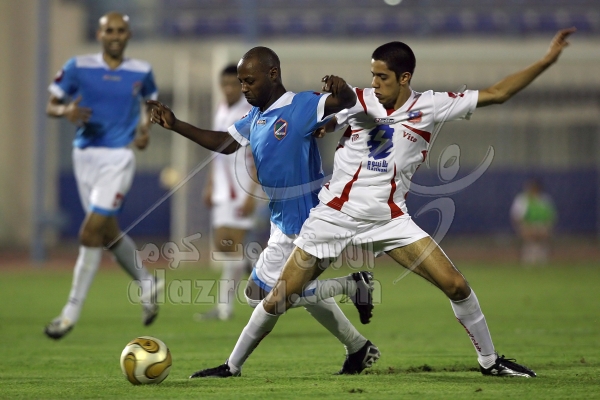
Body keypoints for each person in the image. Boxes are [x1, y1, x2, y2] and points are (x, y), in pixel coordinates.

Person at [191, 27, 576, 378]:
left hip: (390, 219)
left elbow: (498, 93)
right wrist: (330, 118)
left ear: (404, 78)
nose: (374, 83)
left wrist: (546, 60)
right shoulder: (358, 100)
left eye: (382, 77)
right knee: (277, 297)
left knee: (456, 285)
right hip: (334, 216)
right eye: (372, 75)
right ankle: (231, 366)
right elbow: (324, 115)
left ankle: (490, 362)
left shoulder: (432, 106)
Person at [148, 46, 380, 376]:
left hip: (310, 224)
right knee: (260, 293)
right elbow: (226, 143)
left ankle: (232, 367)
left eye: (249, 81)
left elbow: (343, 103)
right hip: (282, 224)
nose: (244, 88)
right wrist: (176, 125)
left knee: (274, 296)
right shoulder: (256, 116)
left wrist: (340, 90)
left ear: (272, 74)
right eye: (241, 81)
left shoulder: (300, 105)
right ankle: (357, 339)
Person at [44, 12, 163, 339]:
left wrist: (144, 131)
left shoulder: (141, 71)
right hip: (84, 156)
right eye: (109, 30)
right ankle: (148, 283)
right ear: (99, 35)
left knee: (90, 232)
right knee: (108, 234)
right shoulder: (77, 66)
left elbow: (150, 105)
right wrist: (66, 110)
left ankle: (69, 313)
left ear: (129, 34)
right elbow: (52, 104)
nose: (115, 35)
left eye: (121, 30)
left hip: (118, 158)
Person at [196, 64, 257, 321]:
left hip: (241, 186)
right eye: (226, 84)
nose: (229, 89)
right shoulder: (221, 108)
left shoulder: (250, 112)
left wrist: (252, 193)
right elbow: (216, 151)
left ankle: (225, 308)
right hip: (222, 187)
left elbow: (258, 155)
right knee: (224, 245)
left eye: (235, 84)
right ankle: (256, 269)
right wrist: (210, 183)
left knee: (230, 245)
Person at [510, 179, 557, 264]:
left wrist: (546, 228)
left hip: (542, 225)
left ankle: (541, 258)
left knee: (542, 232)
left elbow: (551, 217)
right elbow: (517, 217)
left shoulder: (545, 199)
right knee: (530, 233)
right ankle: (529, 259)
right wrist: (524, 228)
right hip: (527, 225)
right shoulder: (522, 199)